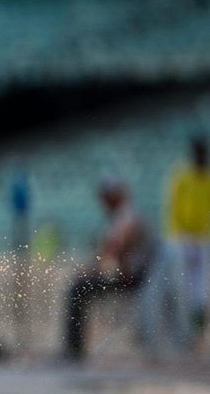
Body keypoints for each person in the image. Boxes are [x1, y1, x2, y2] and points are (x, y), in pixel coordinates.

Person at [63, 178, 153, 361]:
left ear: (114, 196)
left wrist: (92, 269)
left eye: (105, 197)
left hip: (136, 279)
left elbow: (114, 247)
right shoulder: (120, 215)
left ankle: (73, 351)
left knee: (78, 288)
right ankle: (73, 349)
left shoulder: (127, 214)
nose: (102, 202)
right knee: (79, 285)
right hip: (130, 275)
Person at [163, 136, 210, 335]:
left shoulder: (207, 176)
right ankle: (178, 322)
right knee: (181, 280)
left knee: (200, 283)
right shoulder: (181, 174)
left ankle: (196, 320)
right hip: (183, 236)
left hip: (203, 236)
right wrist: (176, 233)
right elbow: (172, 205)